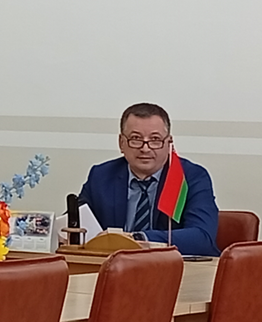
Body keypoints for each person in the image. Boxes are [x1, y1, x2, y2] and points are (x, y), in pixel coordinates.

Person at [77, 102, 219, 257]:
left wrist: (137, 239)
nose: (145, 148)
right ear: (121, 143)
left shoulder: (191, 177)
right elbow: (75, 224)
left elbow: (202, 238)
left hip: (171, 266)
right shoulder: (101, 176)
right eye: (136, 138)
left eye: (155, 139)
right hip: (114, 266)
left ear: (169, 143)